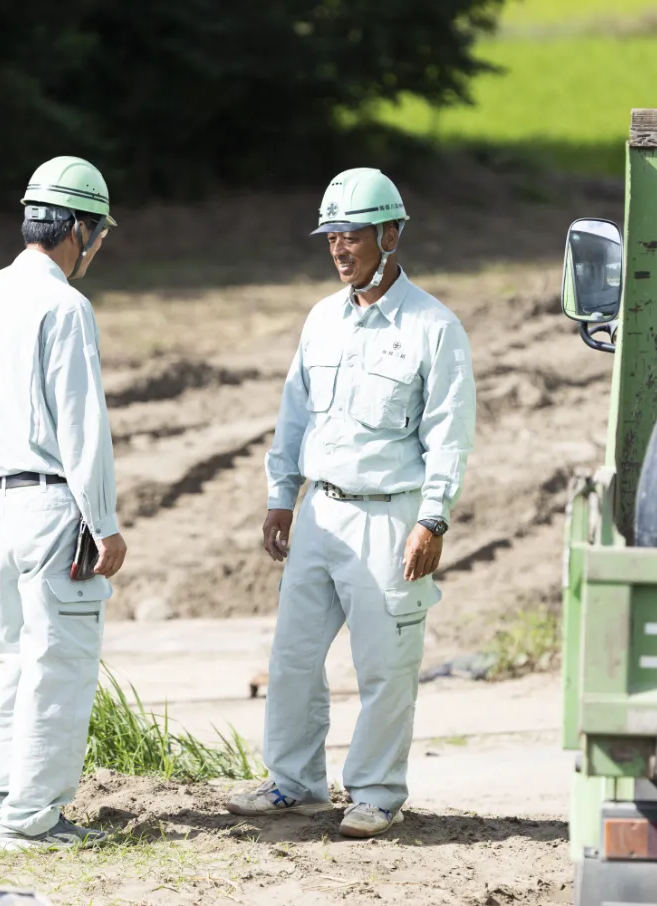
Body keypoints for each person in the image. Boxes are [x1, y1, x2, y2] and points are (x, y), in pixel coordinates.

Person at [228, 168, 477, 838]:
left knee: (385, 666)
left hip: (391, 516)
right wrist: (282, 496)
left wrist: (433, 518)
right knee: (292, 657)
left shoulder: (434, 327)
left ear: (390, 235)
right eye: (332, 237)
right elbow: (294, 415)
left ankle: (376, 792)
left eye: (353, 236)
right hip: (320, 512)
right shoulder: (321, 320)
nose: (339, 249)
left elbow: (450, 434)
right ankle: (293, 782)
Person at [0, 155, 127, 852]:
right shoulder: (65, 307)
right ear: (78, 229)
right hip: (54, 509)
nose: (96, 247)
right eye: (98, 233)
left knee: (16, 659)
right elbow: (83, 426)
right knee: (60, 665)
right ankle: (33, 818)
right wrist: (104, 522)